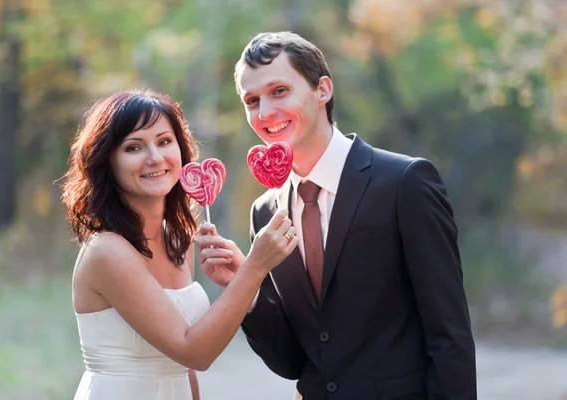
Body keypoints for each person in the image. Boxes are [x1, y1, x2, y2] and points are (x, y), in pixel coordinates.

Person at [196, 32, 477, 399]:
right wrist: (244, 289)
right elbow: (293, 361)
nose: (264, 114)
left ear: (323, 89)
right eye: (252, 100)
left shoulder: (403, 183)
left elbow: (450, 335)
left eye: (279, 91)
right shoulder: (265, 213)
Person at [61, 89, 299, 400]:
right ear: (107, 162)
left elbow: (184, 369)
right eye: (133, 147)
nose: (155, 158)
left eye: (164, 141)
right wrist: (255, 266)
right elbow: (194, 351)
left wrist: (240, 277)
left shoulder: (178, 238)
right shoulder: (107, 251)